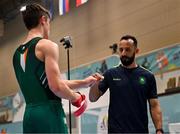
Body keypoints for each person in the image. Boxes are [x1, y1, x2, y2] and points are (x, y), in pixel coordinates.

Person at [13, 3, 97, 133]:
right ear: (43, 20)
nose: (49, 28)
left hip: (29, 116)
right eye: (49, 23)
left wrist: (84, 83)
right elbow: (56, 86)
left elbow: (48, 82)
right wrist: (76, 98)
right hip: (49, 112)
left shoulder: (16, 54)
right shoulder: (47, 45)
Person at [89, 35, 163, 133]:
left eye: (127, 50)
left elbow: (154, 105)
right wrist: (95, 84)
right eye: (121, 49)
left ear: (136, 51)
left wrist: (159, 129)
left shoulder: (148, 76)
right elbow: (93, 98)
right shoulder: (110, 74)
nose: (123, 53)